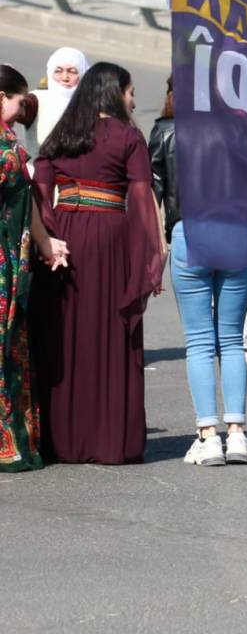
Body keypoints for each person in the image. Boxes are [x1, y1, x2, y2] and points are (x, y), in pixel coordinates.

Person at [33, 63, 164, 464]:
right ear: (113, 93)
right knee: (109, 333)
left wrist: (51, 237)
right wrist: (152, 255)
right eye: (128, 91)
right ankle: (109, 440)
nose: (133, 99)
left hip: (66, 236)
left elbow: (40, 185)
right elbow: (142, 201)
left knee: (66, 333)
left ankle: (61, 439)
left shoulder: (64, 132)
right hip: (110, 238)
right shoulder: (128, 136)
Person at [148, 77, 247, 466]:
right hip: (238, 233)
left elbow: (151, 196)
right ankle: (239, 434)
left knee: (198, 341)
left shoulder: (165, 130)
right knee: (231, 339)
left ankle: (209, 436)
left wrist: (156, 249)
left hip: (189, 231)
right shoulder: (241, 127)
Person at [0, 65, 68, 472]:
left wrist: (45, 243)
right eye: (19, 101)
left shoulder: (10, 139)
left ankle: (15, 441)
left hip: (12, 255)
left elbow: (25, 199)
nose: (24, 109)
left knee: (11, 346)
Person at [26, 47, 89, 155]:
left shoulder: (91, 105)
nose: (65, 77)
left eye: (72, 72)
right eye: (58, 71)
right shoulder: (37, 99)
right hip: (36, 170)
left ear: (84, 73)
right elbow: (14, 107)